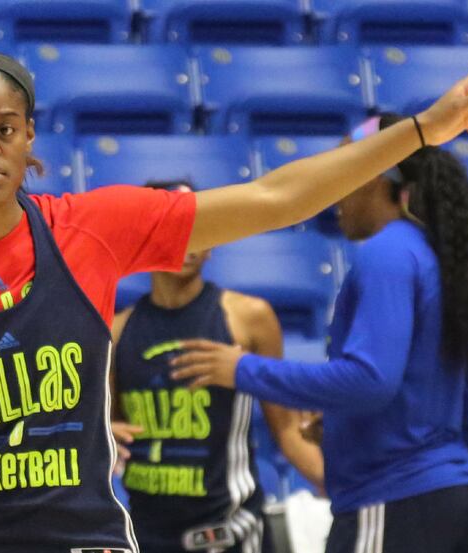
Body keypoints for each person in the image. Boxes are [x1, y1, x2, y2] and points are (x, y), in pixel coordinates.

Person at [0, 45, 468, 553]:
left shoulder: (93, 228)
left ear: (30, 138)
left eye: (5, 128)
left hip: (87, 541)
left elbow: (275, 197)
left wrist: (420, 130)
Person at [171, 113, 468, 553]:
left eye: (343, 171)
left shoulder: (387, 252)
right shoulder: (437, 251)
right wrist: (351, 419)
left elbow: (369, 381)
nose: (332, 191)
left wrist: (242, 369)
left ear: (376, 174)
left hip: (393, 501)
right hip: (452, 500)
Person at [110, 180, 324, 553]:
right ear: (144, 237)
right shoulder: (117, 331)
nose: (188, 240)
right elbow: (103, 431)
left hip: (232, 534)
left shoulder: (248, 318)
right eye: (173, 228)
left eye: (197, 226)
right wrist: (104, 435)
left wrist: (342, 485)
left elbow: (287, 431)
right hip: (146, 536)